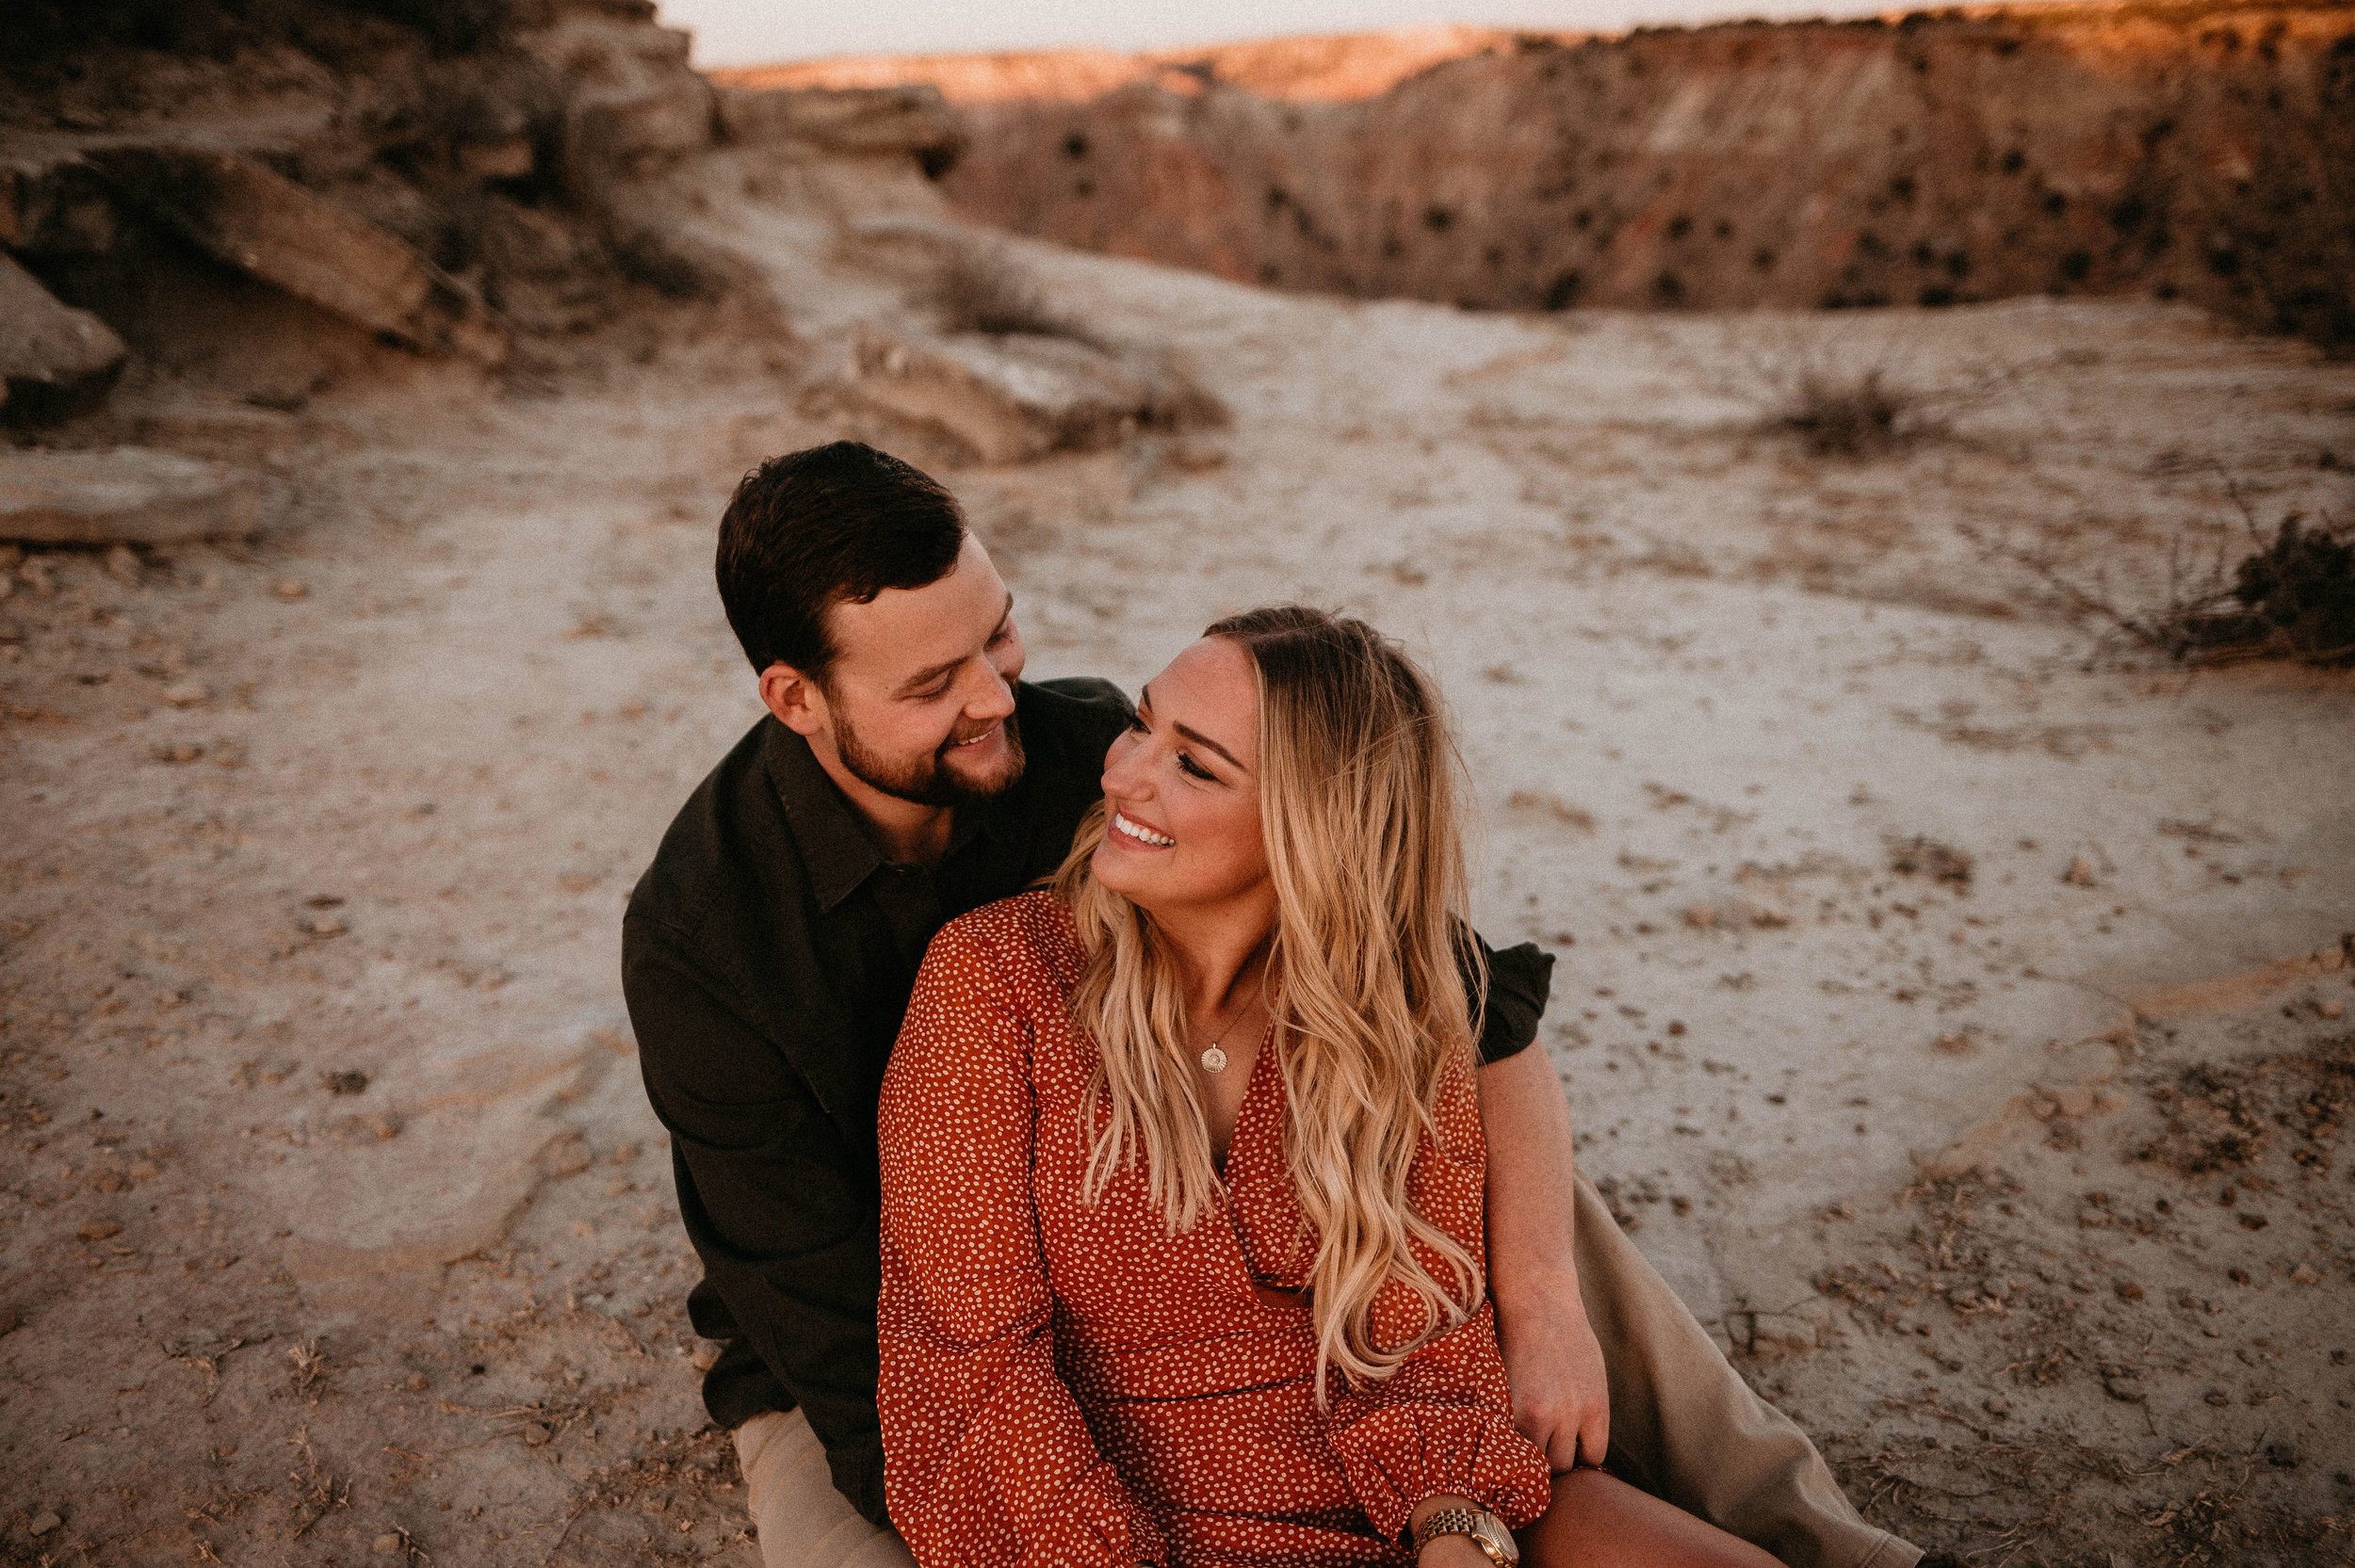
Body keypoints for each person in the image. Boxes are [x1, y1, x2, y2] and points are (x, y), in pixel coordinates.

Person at [621, 443, 1916, 1568]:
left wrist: (1535, 1308)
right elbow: (876, 1333)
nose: (996, 696)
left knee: (1535, 1219)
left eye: (998, 634)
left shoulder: (1079, 749)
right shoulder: (706, 943)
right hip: (874, 1331)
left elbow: (1440, 980)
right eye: (929, 686)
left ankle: (1837, 1546)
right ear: (795, 698)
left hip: (1231, 1206)